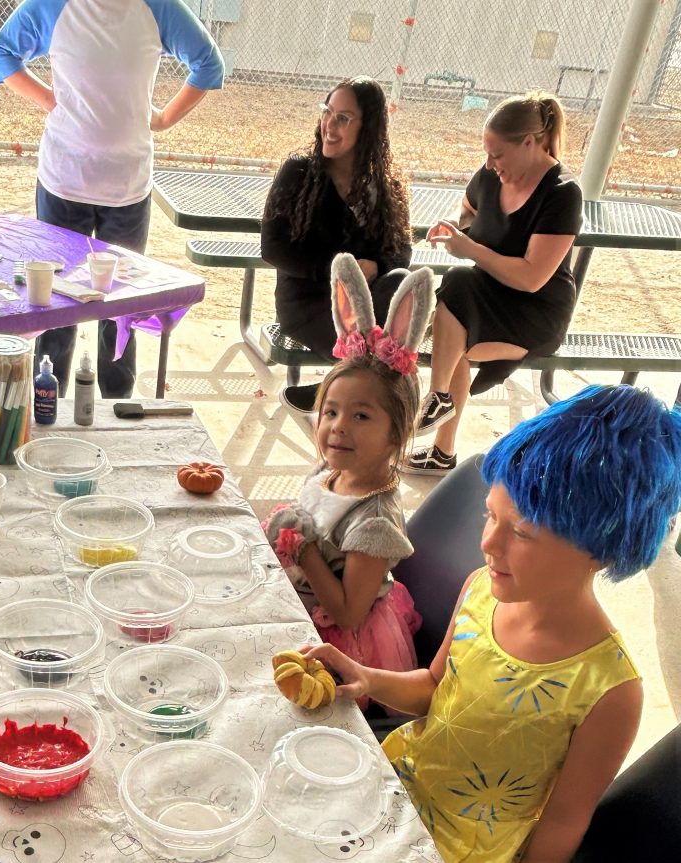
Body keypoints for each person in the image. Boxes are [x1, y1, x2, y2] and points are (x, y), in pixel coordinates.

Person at [305, 384, 681, 863]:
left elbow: (563, 822)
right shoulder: (480, 588)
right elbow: (435, 688)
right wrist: (367, 678)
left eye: (520, 531)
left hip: (463, 848)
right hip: (398, 786)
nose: (487, 542)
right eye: (490, 515)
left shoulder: (610, 691)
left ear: (603, 548)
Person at [0, 0, 224, 398]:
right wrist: (49, 100)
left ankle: (117, 406)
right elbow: (1, 53)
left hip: (127, 187)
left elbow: (208, 63)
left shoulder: (159, 8)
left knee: (121, 307)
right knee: (56, 304)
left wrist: (165, 117)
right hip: (64, 182)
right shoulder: (53, 5)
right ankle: (48, 403)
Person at [263, 255, 433, 701]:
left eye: (361, 416)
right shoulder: (331, 471)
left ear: (396, 433)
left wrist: (303, 549)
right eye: (331, 412)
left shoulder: (375, 522)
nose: (338, 427)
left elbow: (348, 613)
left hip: (342, 645)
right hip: (301, 599)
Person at [408, 91, 582, 475]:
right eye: (487, 153)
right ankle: (440, 415)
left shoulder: (562, 193)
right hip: (485, 293)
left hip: (535, 312)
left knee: (455, 326)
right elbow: (468, 210)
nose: (489, 163)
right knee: (456, 295)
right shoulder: (490, 176)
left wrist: (469, 248)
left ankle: (439, 415)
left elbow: (532, 278)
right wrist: (457, 230)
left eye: (498, 154)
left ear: (529, 142)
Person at [262, 77, 412, 398]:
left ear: (368, 127)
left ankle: (328, 392)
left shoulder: (384, 187)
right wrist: (339, 274)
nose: (329, 124)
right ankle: (337, 392)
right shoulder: (299, 173)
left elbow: (401, 252)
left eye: (343, 118)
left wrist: (376, 266)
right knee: (382, 349)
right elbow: (272, 248)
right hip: (311, 304)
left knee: (401, 281)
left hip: (366, 304)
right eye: (327, 112)